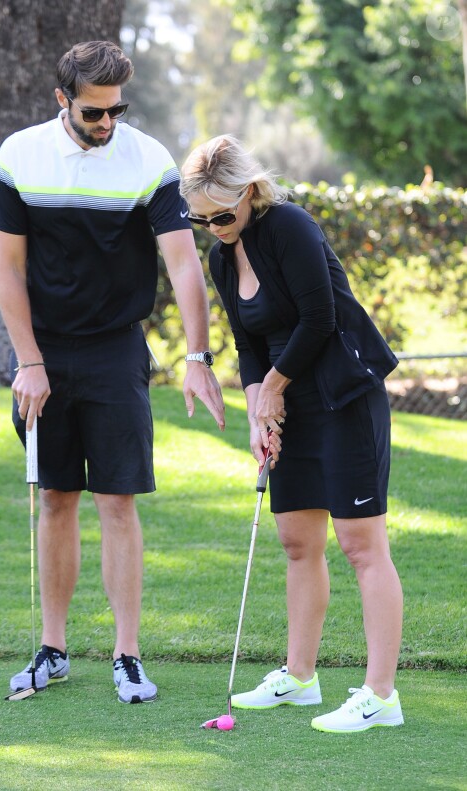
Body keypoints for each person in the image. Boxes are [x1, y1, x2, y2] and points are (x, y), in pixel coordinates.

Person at [0, 41, 225, 704]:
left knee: (117, 501)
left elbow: (183, 264)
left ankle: (127, 654)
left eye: (117, 109)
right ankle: (54, 647)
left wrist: (199, 356)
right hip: (41, 350)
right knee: (57, 497)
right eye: (95, 111)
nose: (108, 123)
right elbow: (7, 270)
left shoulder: (147, 159)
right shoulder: (18, 155)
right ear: (62, 99)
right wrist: (29, 361)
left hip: (116, 349)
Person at [180, 135, 404, 733]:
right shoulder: (222, 258)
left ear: (251, 193)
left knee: (361, 545)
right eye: (201, 220)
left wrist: (274, 390)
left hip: (341, 393)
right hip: (286, 398)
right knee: (298, 543)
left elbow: (320, 318)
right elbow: (248, 345)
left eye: (223, 215)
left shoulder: (290, 227)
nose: (215, 228)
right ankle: (300, 679)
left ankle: (381, 695)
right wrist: (260, 412)